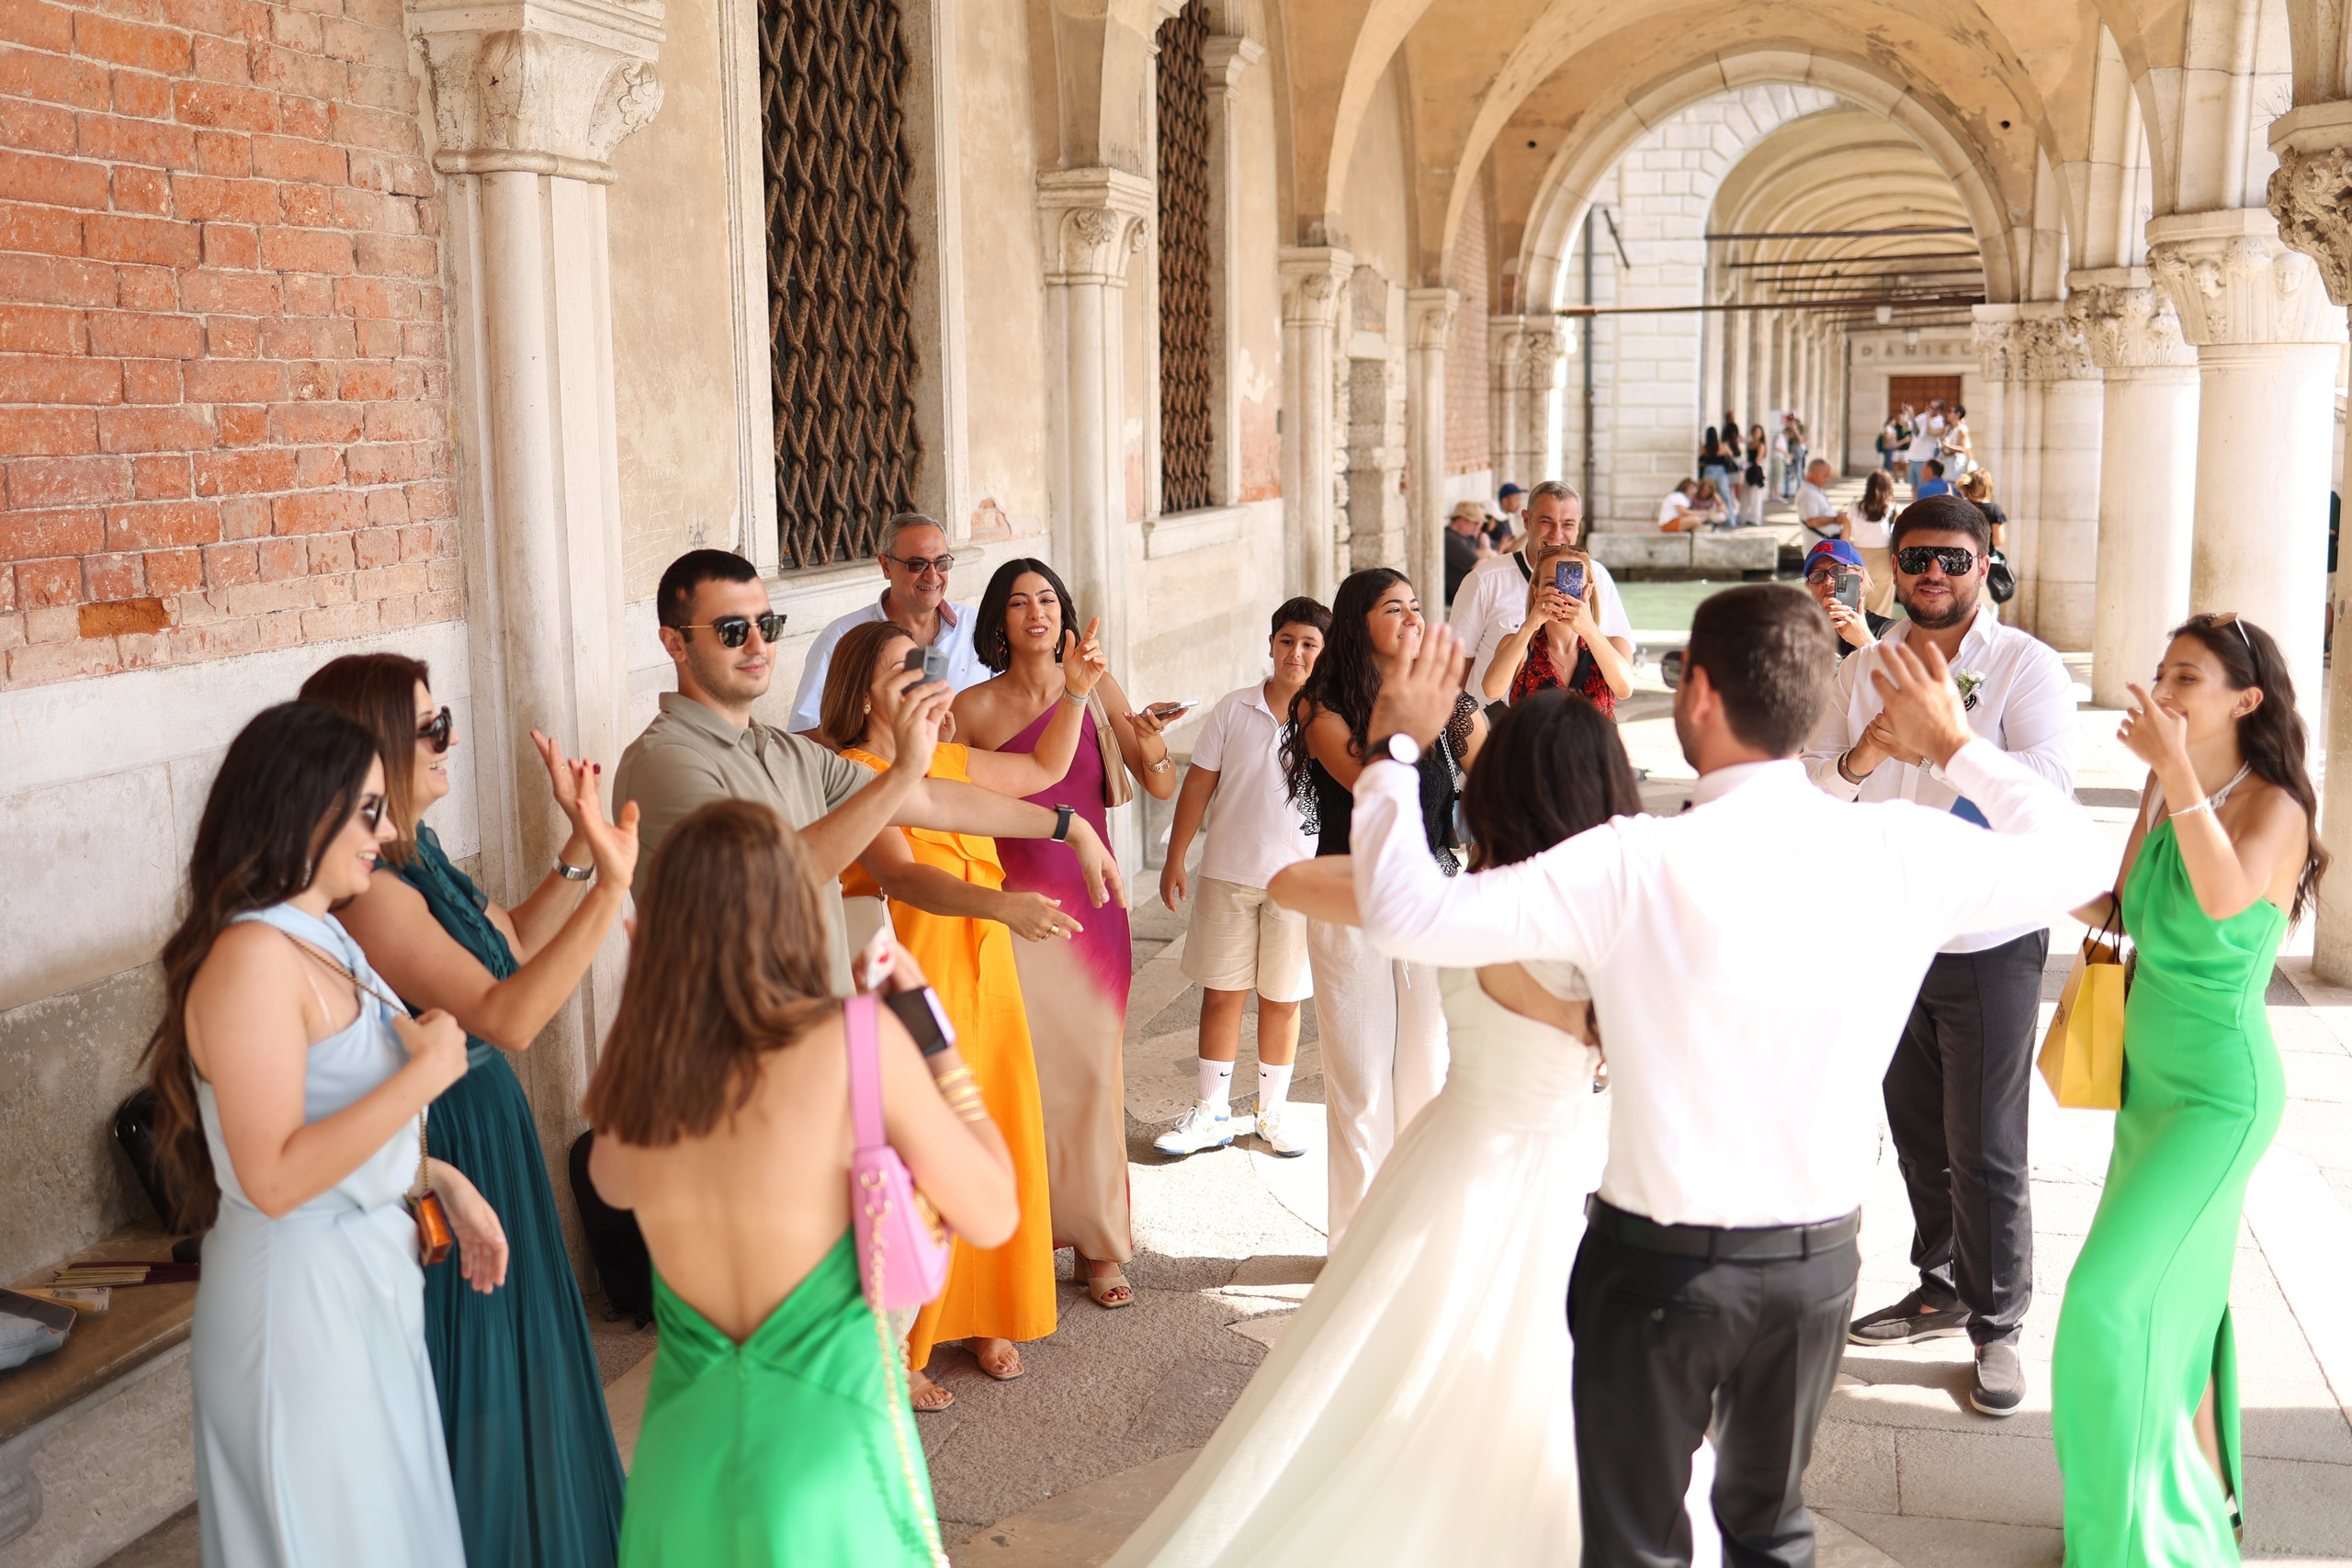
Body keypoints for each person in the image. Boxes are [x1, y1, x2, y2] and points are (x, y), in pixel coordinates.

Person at [1344, 593, 2109, 1568]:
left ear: (1698, 696)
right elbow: (2080, 859)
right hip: (1813, 1265)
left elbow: (1404, 913)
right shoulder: (1900, 850)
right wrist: (1957, 746)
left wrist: (1397, 749)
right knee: (1770, 1527)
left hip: (1653, 1265)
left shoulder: (1629, 862)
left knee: (1632, 1542)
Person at [1107, 691, 1634, 1568]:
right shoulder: (1617, 916)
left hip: (1454, 1157)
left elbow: (1290, 879)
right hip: (1559, 1169)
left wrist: (1396, 775)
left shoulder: (1459, 901)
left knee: (1400, 1358)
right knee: (1526, 1372)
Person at [584, 800, 1018, 1568]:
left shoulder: (636, 1087)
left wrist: (647, 989)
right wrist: (931, 1033)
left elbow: (611, 1183)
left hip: (682, 1469)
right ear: (793, 911)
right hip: (828, 1465)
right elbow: (990, 1210)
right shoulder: (859, 1040)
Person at [141, 703, 509, 1568]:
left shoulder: (319, 934)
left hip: (360, 1286)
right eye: (369, 809)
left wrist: (436, 1174)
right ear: (306, 807)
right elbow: (270, 1173)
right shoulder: (253, 958)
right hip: (298, 1306)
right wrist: (427, 1073)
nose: (385, 831)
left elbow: (332, 1116)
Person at [300, 656, 635, 1568]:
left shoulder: (420, 856)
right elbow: (510, 1016)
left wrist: (577, 846)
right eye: (428, 728)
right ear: (368, 752)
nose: (447, 738)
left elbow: (513, 942)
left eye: (444, 717)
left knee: (522, 1363)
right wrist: (610, 890)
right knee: (473, 1373)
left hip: (487, 1118)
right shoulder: (375, 896)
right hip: (442, 1129)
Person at [1801, 493, 2079, 1416]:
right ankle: (1939, 1279)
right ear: (1892, 567)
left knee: (1986, 1141)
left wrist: (1947, 743)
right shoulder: (1863, 669)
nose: (1933, 575)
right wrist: (1871, 748)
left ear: (1984, 562)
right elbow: (1811, 790)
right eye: (1916, 559)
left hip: (1990, 934)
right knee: (1915, 1127)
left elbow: (2042, 797)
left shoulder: (2025, 668)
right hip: (1886, 931)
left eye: (1953, 560)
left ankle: (1997, 1323)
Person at [2053, 613, 2320, 1565]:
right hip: (2146, 1084)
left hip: (2219, 1095)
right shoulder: (2164, 795)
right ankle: (2209, 1502)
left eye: (2188, 676)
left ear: (2244, 702)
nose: (2163, 689)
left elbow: (2219, 897)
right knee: (2187, 1297)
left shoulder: (2275, 804)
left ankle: (2143, 1538)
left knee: (2106, 1299)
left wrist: (2170, 774)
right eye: (2161, 670)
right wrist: (2024, 867)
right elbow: (2125, 911)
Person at [616, 549, 1124, 1004]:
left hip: (826, 1034)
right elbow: (771, 883)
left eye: (767, 627)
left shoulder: (784, 750)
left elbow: (934, 802)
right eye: (731, 630)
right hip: (732, 1064)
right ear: (674, 644)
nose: (756, 645)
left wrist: (1067, 826)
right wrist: (904, 768)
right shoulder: (669, 762)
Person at [819, 615, 1098, 1406]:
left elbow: (1046, 768)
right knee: (912, 1151)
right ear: (864, 688)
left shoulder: (944, 759)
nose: (927, 674)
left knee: (992, 1128)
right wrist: (1002, 901)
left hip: (985, 968)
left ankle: (983, 1309)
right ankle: (901, 1343)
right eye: (905, 665)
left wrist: (1074, 694)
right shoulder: (854, 769)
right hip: (912, 972)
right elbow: (904, 878)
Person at [954, 558, 1182, 1310]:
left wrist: (1148, 738)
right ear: (999, 620)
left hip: (1094, 904)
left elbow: (1157, 781)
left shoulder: (1095, 680)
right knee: (1021, 1081)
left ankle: (1099, 1244)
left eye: (1047, 598)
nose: (1036, 612)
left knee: (1092, 1076)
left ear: (1066, 611)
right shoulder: (973, 708)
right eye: (1019, 602)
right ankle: (1024, 1240)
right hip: (1014, 912)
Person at [1283, 568, 1487, 1242]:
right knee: (1362, 1082)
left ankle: (1417, 1234)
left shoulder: (1445, 700)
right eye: (1392, 608)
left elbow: (1493, 766)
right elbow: (1371, 779)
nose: (1410, 618)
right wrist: (1410, 717)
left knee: (1427, 1075)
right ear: (1357, 622)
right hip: (1351, 901)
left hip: (1432, 893)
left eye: (1416, 608)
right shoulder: (1323, 705)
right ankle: (1355, 1243)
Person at [1155, 597, 1330, 1159]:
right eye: (1287, 641)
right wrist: (1176, 855)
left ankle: (1271, 1111)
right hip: (1228, 875)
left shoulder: (1329, 718)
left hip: (1299, 883)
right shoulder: (1234, 709)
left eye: (1309, 644)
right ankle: (1211, 1111)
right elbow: (1199, 785)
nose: (1295, 653)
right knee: (1222, 992)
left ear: (1324, 654)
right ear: (1271, 643)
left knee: (1282, 998)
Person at [787, 513, 989, 734]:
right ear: (886, 566)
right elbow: (802, 738)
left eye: (941, 563)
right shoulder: (841, 637)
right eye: (917, 564)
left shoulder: (977, 627)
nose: (932, 576)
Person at [1481, 541, 1634, 715]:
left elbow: (1625, 689)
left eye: (1571, 586)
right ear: (1536, 592)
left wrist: (1589, 630)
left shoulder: (1615, 645)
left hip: (1595, 742)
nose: (1561, 594)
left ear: (1588, 591)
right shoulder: (1520, 645)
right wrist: (1529, 626)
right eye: (1551, 585)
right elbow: (1492, 691)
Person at [1801, 539, 1893, 659]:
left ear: (1860, 577)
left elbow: (1899, 676)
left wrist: (1864, 641)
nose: (1827, 581)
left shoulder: (1887, 631)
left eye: (1838, 570)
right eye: (1817, 575)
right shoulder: (1800, 631)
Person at [1848, 468, 1899, 614]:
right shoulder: (1893, 510)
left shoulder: (1854, 508)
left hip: (1856, 561)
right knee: (1880, 611)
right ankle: (1878, 636)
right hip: (1884, 562)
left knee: (1852, 608)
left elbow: (1844, 540)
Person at [1443, 500, 1487, 605]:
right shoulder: (1451, 539)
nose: (1477, 527)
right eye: (1475, 523)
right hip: (1463, 599)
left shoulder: (1465, 537)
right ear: (1463, 520)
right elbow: (1481, 566)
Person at [1795, 457, 1845, 539]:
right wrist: (1835, 519)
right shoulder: (1807, 493)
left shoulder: (1815, 491)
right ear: (1814, 474)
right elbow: (1812, 521)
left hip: (1825, 545)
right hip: (1819, 546)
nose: (1827, 480)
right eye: (1825, 476)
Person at [1740, 433, 1769, 527]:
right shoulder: (1750, 444)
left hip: (1755, 471)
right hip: (1749, 470)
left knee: (1755, 495)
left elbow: (1757, 460)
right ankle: (1746, 517)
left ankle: (1755, 518)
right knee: (1746, 495)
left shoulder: (1761, 445)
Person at [1940, 403, 1974, 476]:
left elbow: (1963, 448)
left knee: (1954, 485)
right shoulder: (1949, 428)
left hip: (1956, 464)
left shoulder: (1962, 429)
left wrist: (1947, 446)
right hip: (1946, 461)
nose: (1947, 414)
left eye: (1950, 411)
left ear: (1958, 414)